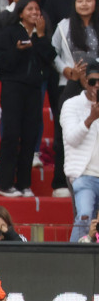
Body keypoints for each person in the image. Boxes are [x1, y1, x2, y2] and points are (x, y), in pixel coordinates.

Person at [0, 0, 55, 197]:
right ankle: (4, 184)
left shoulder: (41, 34)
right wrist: (17, 51)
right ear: (20, 13)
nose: (34, 13)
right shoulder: (9, 32)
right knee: (11, 134)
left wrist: (42, 35)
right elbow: (1, 62)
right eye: (29, 9)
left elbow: (50, 57)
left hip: (34, 89)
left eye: (37, 9)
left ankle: (24, 184)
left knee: (30, 135)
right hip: (12, 87)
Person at [51, 0, 99, 197]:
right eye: (80, 1)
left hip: (97, 82)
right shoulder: (64, 25)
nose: (84, 4)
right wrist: (67, 70)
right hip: (71, 82)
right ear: (74, 4)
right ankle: (61, 182)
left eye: (89, 0)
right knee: (65, 130)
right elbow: (53, 53)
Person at [61, 62, 99, 241]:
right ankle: (74, 257)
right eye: (92, 82)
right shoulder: (72, 105)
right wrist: (90, 119)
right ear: (84, 81)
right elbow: (71, 138)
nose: (96, 87)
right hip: (84, 175)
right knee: (84, 215)